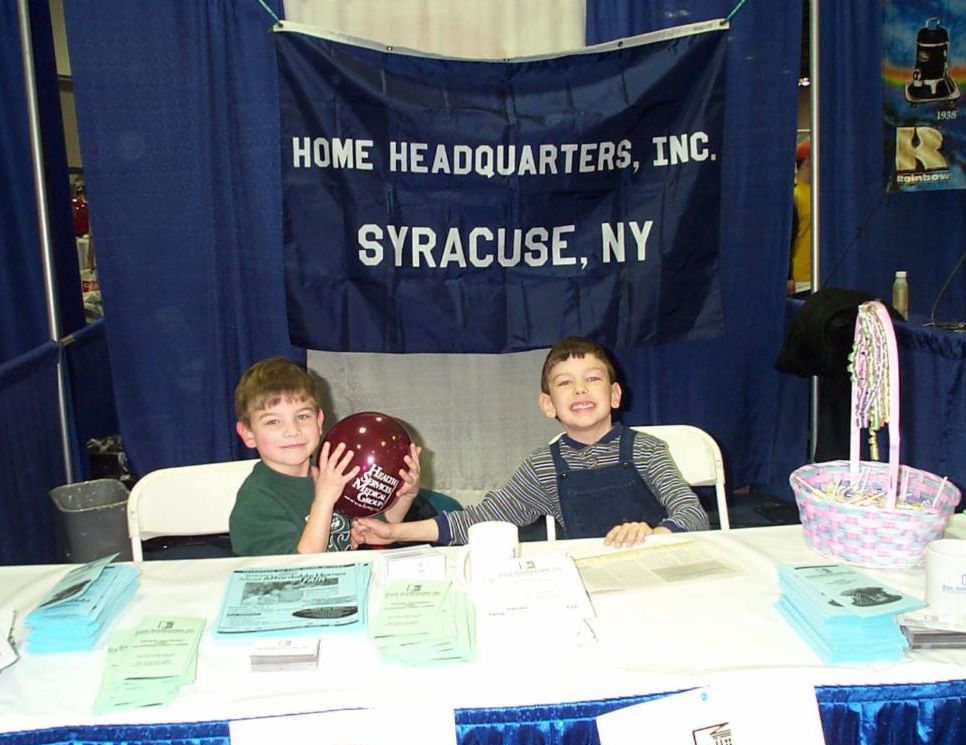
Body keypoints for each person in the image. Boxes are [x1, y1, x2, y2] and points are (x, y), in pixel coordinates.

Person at [352, 337, 708, 549]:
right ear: (548, 404)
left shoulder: (648, 451)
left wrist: (652, 538)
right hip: (591, 585)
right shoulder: (543, 467)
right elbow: (480, 519)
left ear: (615, 394)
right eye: (565, 383)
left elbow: (693, 516)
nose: (580, 389)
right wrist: (395, 530)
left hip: (660, 571)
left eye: (593, 378)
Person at [229, 357, 421, 556]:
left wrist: (405, 494)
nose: (292, 430)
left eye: (302, 417)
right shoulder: (256, 501)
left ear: (319, 421)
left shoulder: (333, 474)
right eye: (273, 422)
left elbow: (381, 529)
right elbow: (298, 569)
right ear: (248, 434)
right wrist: (325, 499)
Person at [789, 138, 812, 296]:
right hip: (800, 280)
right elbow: (788, 239)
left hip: (820, 273)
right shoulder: (794, 196)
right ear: (807, 162)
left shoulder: (819, 194)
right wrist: (788, 276)